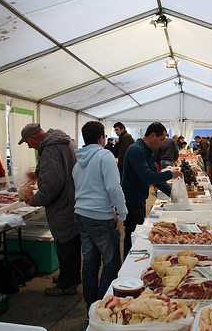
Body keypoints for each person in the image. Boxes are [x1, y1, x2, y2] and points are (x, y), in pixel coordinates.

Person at [19, 123, 81, 296]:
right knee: (71, 243)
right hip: (72, 199)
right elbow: (60, 171)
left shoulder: (50, 150)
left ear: (33, 137)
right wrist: (38, 175)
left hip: (62, 205)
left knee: (65, 245)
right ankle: (70, 277)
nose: (29, 146)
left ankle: (66, 286)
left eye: (27, 142)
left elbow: (53, 184)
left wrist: (34, 200)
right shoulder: (63, 142)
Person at [72, 121, 127, 308]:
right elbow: (113, 187)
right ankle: (103, 306)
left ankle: (91, 304)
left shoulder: (79, 160)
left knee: (89, 261)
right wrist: (122, 213)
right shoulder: (105, 155)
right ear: (101, 138)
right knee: (111, 262)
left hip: (81, 214)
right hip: (100, 217)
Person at [121, 122, 182, 256]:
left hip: (139, 198)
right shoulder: (136, 150)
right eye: (161, 139)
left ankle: (134, 258)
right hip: (131, 200)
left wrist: (174, 195)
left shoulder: (147, 150)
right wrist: (170, 174)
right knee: (133, 234)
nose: (162, 143)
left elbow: (156, 179)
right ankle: (128, 264)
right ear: (153, 135)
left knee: (137, 231)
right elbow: (147, 177)